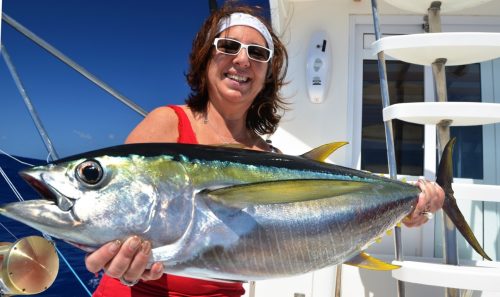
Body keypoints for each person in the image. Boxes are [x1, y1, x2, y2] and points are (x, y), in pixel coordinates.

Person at [85, 2, 445, 297]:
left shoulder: (269, 157)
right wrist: (111, 257)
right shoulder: (167, 123)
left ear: (266, 74)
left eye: (257, 53)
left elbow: (309, 228)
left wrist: (405, 206)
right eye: (228, 47)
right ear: (205, 58)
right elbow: (117, 213)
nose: (242, 60)